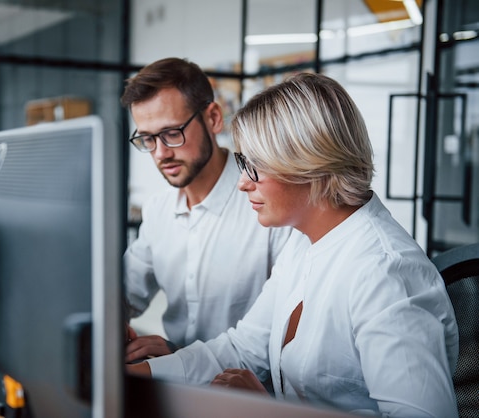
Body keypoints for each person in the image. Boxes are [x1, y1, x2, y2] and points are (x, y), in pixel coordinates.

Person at [127, 72, 459, 417]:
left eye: (254, 166)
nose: (242, 183)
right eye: (243, 163)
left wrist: (267, 411)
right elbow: (243, 349)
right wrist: (134, 375)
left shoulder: (385, 273)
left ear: (309, 164)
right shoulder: (305, 244)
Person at [121, 57, 292, 363]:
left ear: (213, 118)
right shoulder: (159, 210)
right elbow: (124, 292)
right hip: (172, 385)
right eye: (147, 138)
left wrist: (180, 356)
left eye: (173, 133)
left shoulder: (268, 206)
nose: (160, 153)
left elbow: (284, 334)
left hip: (249, 395)